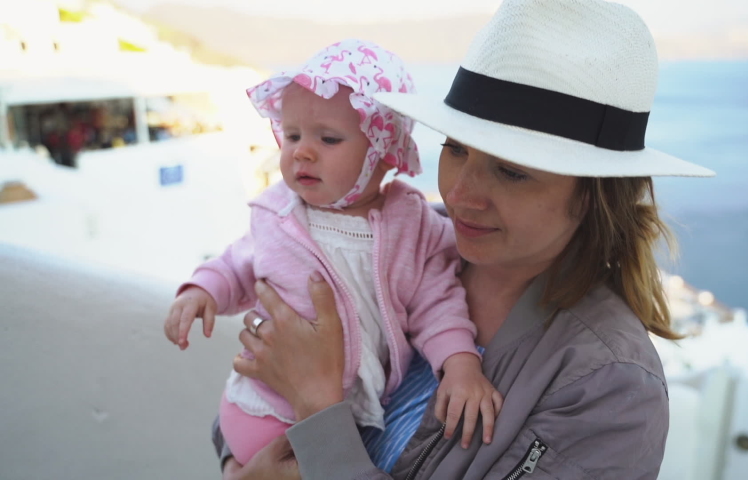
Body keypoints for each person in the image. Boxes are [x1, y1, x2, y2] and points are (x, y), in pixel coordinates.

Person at [218, 0, 716, 478]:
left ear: (592, 197)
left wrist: (318, 410)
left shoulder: (609, 388)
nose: (459, 195)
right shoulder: (407, 237)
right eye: (455, 150)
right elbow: (250, 396)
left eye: (511, 172)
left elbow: (303, 391)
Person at [163, 39, 501, 467]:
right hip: (263, 405)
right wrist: (202, 290)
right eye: (292, 135)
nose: (302, 151)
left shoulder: (408, 225)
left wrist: (460, 364)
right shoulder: (280, 214)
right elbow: (236, 263)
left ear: (382, 156)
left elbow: (436, 302)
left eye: (328, 138)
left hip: (345, 416)